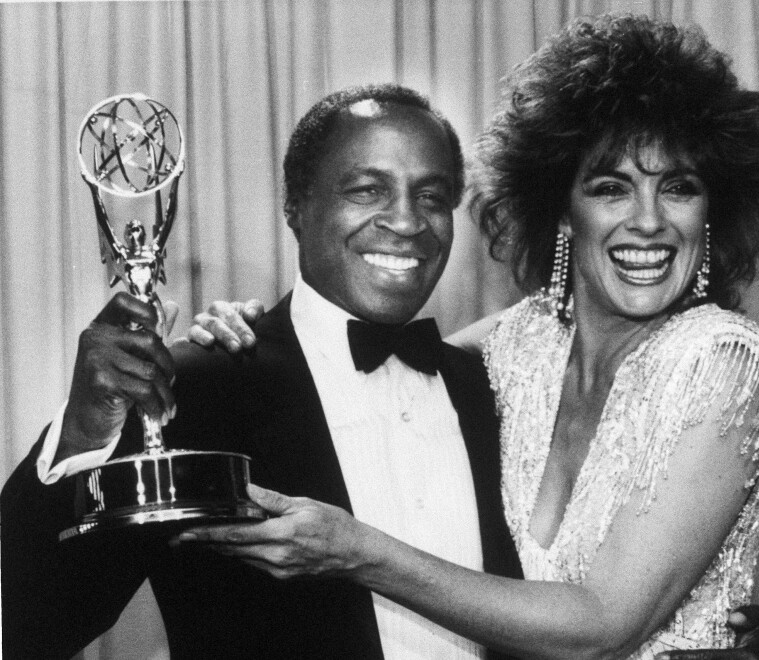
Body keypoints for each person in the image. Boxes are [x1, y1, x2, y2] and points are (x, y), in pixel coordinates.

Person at [181, 14, 759, 660]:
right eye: (610, 187)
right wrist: (258, 333)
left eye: (678, 188)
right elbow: (369, 368)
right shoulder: (516, 347)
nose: (647, 222)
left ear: (711, 212)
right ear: (563, 211)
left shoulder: (722, 362)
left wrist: (356, 549)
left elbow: (602, 626)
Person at [1, 84, 522, 659]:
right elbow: (28, 627)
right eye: (368, 189)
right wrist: (81, 432)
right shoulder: (196, 388)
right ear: (296, 207)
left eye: (432, 196)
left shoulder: (492, 389)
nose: (406, 221)